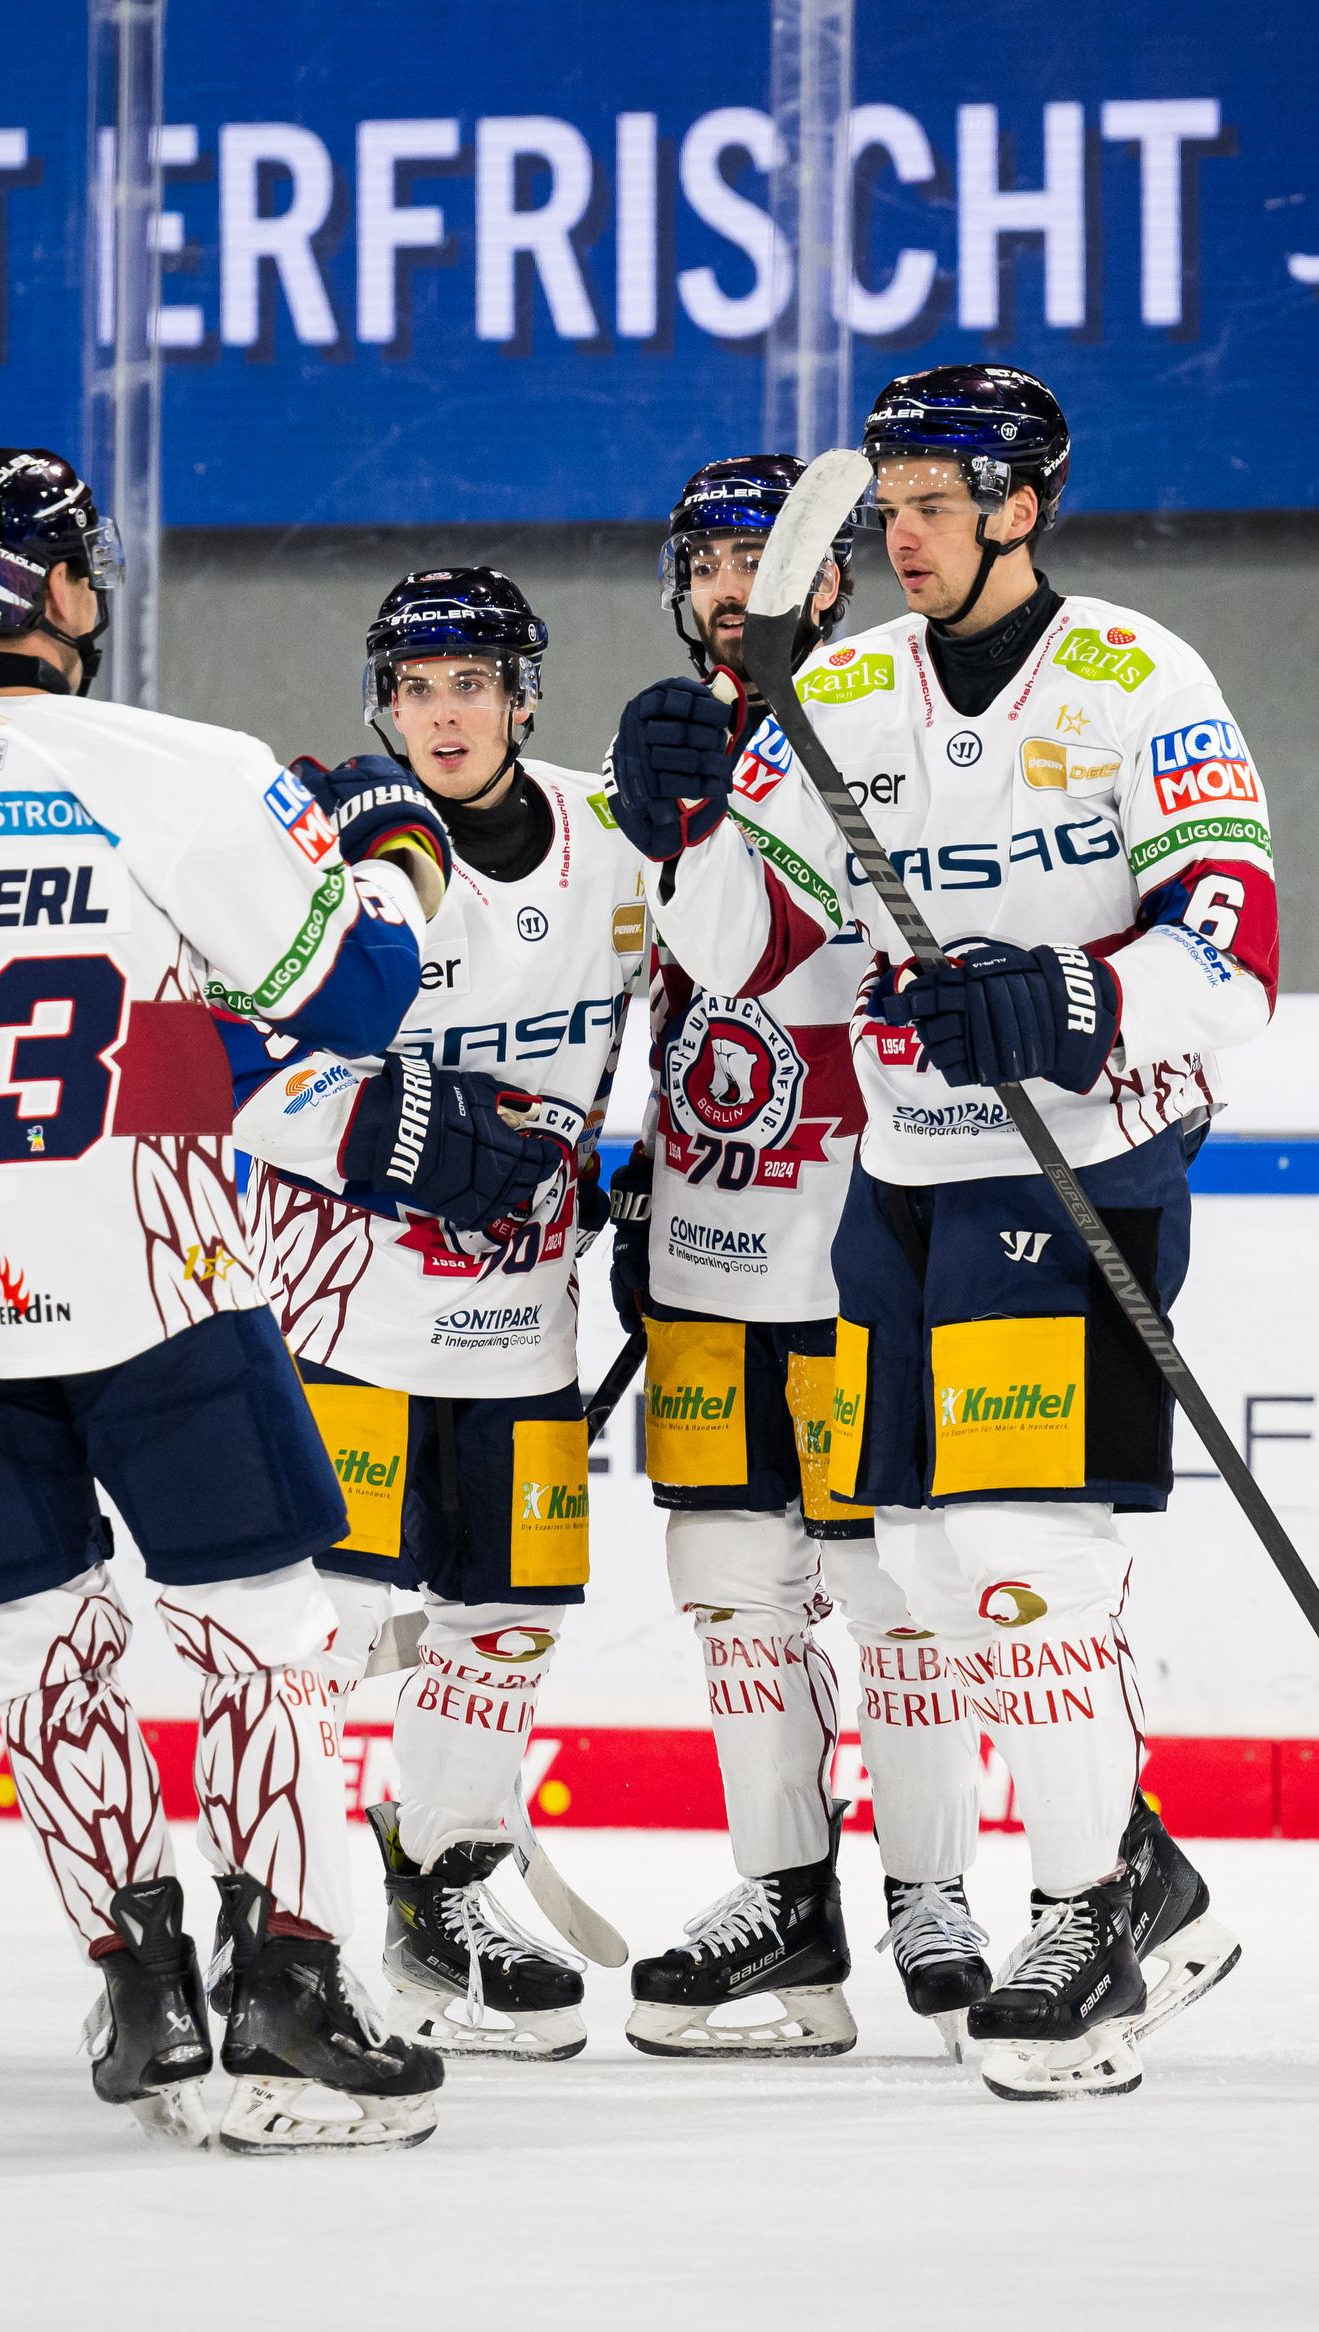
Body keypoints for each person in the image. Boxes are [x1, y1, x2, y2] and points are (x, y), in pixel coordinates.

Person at [0, 448, 455, 2152]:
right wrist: (395, 853)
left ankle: (138, 1974)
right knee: (266, 1634)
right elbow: (353, 997)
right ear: (58, 588)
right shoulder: (171, 770)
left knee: (39, 1647)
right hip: (147, 1282)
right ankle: (282, 1977)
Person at [611, 370, 1263, 2099]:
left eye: (930, 503)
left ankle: (1087, 1898)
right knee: (913, 1566)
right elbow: (756, 942)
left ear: (1022, 505)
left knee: (1018, 1549)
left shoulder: (1138, 678)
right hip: (897, 1187)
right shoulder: (847, 689)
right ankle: (1140, 1869)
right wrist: (680, 820)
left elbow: (1235, 962)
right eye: (884, 502)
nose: (897, 535)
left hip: (1074, 1176)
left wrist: (1066, 999)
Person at [603, 458, 997, 2062]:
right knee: (732, 1596)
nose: (738, 584)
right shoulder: (653, 751)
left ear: (835, 579)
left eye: (772, 560)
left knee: (887, 1584)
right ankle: (785, 1905)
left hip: (854, 1236)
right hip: (704, 1234)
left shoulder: (890, 729)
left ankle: (934, 1892)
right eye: (712, 558)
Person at [227, 568, 646, 2060]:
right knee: (323, 1639)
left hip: (528, 1317)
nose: (441, 716)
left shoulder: (613, 839)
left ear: (524, 696)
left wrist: (678, 1172)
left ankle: (442, 1896)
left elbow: (714, 995)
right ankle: (278, 1928)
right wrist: (390, 1134)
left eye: (469, 684)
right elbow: (224, 1057)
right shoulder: (334, 860)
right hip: (347, 1318)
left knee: (505, 1623)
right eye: (411, 691)